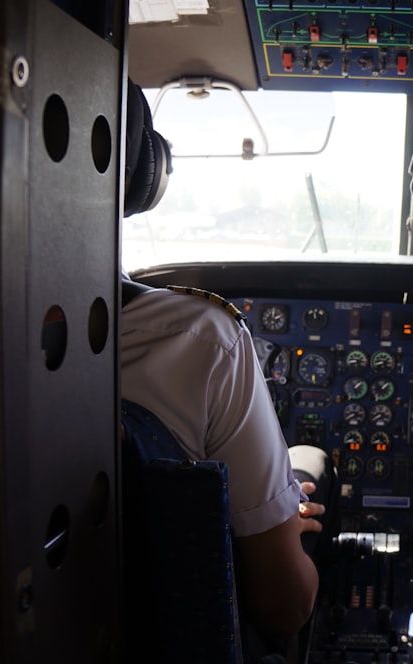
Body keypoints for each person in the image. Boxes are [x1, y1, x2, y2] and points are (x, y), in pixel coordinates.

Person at [119, 79, 332, 640]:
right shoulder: (201, 337)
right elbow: (286, 608)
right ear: (146, 174)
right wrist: (280, 520)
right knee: (306, 458)